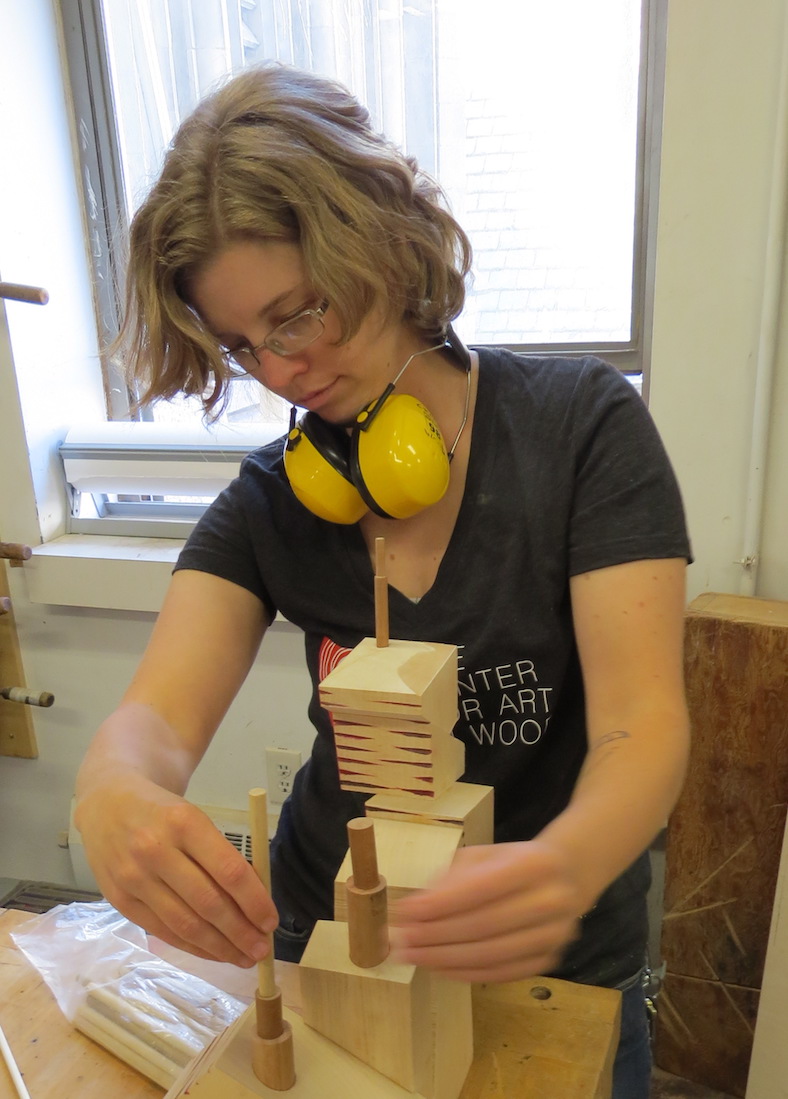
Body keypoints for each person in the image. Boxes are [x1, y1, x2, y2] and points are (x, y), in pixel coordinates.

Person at [74, 62, 691, 1099]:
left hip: (552, 964)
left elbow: (642, 723)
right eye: (243, 346)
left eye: (297, 315)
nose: (282, 370)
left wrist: (567, 864)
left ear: (381, 241)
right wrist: (107, 790)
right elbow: (156, 720)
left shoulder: (580, 428)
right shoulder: (273, 498)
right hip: (338, 948)